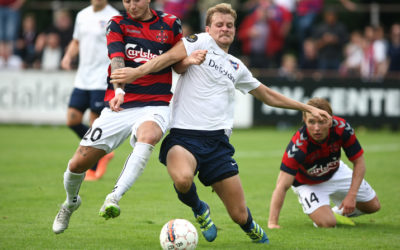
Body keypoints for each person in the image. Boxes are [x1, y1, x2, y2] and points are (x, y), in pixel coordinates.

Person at [109, 3, 331, 243]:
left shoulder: (237, 66)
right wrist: (136, 73)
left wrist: (307, 107)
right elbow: (168, 59)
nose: (224, 29)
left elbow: (267, 95)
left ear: (234, 30)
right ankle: (200, 209)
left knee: (238, 214)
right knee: (183, 179)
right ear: (209, 28)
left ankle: (249, 225)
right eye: (219, 25)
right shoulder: (199, 41)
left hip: (216, 143)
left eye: (229, 25)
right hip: (183, 136)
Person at [52, 0, 183, 234]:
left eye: (137, 0)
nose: (131, 5)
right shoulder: (117, 23)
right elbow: (117, 59)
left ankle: (113, 197)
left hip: (156, 103)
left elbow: (180, 58)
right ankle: (71, 202)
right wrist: (120, 91)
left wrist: (187, 60)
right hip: (120, 105)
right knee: (77, 164)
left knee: (149, 135)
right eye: (126, 0)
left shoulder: (170, 24)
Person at [268, 97, 380, 229]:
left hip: (335, 171)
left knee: (373, 206)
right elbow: (281, 186)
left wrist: (351, 195)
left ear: (330, 120)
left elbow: (359, 162)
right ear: (304, 120)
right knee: (328, 223)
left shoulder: (342, 128)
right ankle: (327, 215)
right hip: (307, 183)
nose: (316, 128)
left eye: (322, 122)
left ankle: (337, 212)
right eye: (311, 122)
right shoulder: (298, 146)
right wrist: (272, 223)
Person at [61, 0, 119, 181]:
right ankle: (103, 152)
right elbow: (76, 41)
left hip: (101, 79)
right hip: (82, 78)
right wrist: (68, 55)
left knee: (95, 125)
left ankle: (93, 169)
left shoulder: (113, 16)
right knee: (72, 120)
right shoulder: (82, 15)